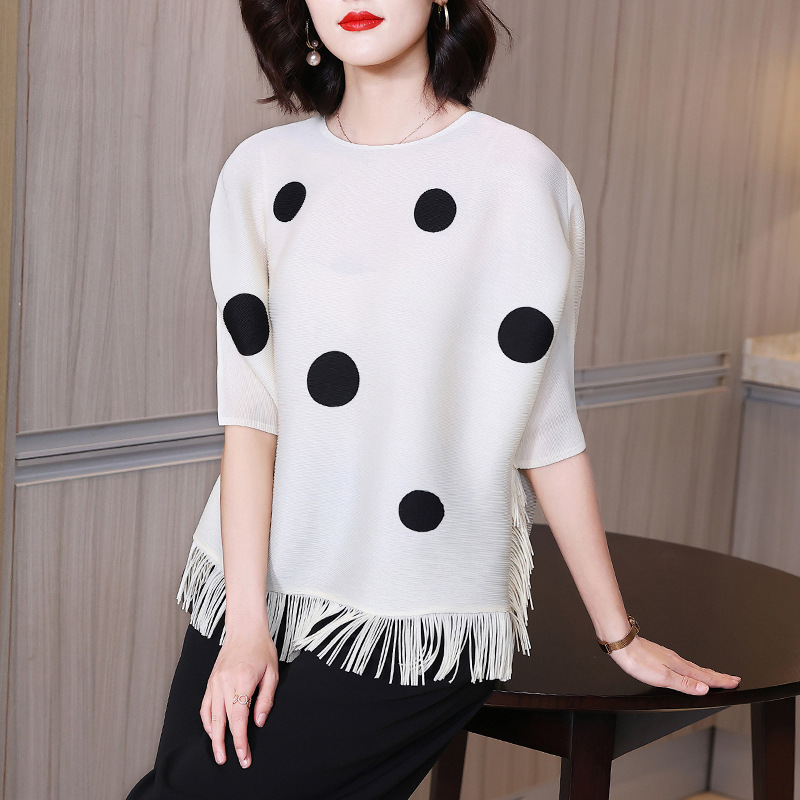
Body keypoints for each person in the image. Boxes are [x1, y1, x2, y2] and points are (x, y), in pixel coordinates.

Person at [125, 1, 741, 797]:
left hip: (421, 599)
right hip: (254, 580)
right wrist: (247, 627)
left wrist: (617, 634)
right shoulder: (260, 172)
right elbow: (252, 415)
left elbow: (545, 424)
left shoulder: (517, 176)